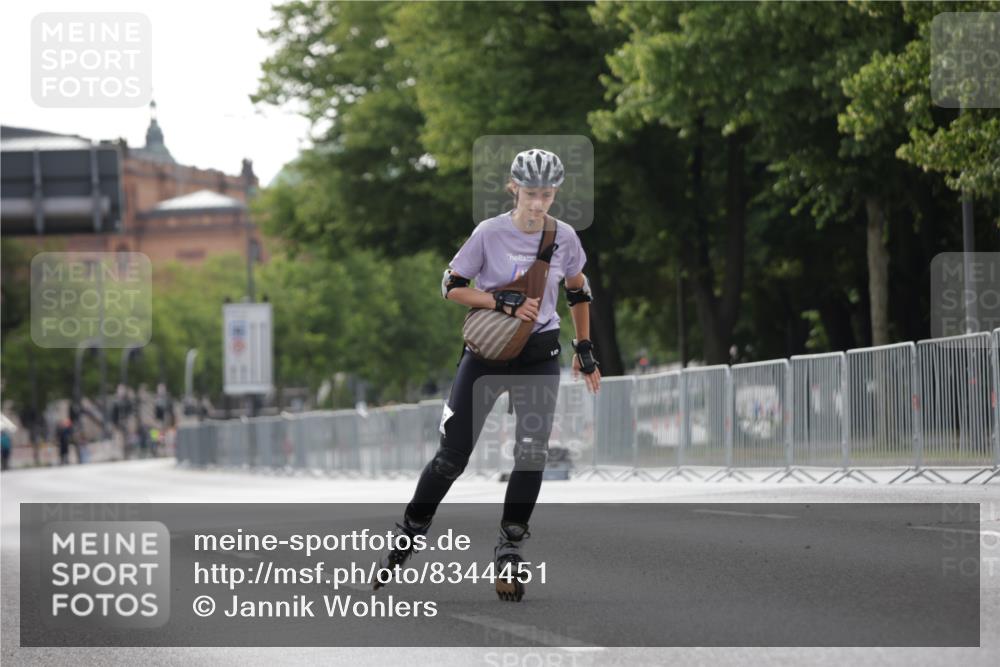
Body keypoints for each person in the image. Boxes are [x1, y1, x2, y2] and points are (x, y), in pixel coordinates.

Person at [374, 148, 602, 602]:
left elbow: (578, 291)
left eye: (547, 194)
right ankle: (411, 530)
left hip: (538, 355)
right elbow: (451, 286)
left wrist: (584, 347)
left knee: (532, 453)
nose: (538, 203)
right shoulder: (488, 233)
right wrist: (498, 301)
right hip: (486, 356)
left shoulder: (565, 237)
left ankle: (510, 547)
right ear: (513, 188)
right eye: (531, 193)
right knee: (451, 458)